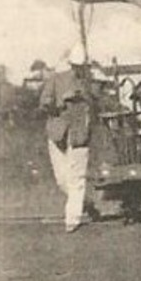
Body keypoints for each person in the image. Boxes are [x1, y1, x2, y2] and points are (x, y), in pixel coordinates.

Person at [39, 43, 96, 232]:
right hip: (58, 132)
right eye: (76, 65)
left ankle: (72, 218)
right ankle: (86, 204)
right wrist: (55, 104)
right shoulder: (56, 79)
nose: (78, 69)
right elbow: (44, 102)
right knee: (62, 180)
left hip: (79, 133)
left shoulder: (89, 82)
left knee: (77, 177)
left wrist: (83, 98)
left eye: (82, 66)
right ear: (70, 64)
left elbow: (95, 102)